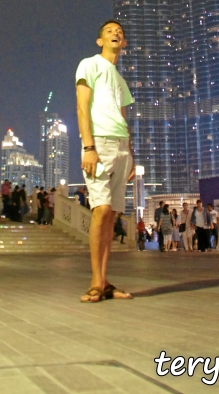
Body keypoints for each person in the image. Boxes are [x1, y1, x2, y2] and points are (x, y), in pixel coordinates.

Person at [76, 19, 134, 302]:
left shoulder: (120, 79)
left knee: (111, 215)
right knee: (101, 209)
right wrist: (88, 146)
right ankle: (95, 281)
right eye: (109, 31)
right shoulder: (89, 64)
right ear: (100, 41)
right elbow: (82, 106)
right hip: (98, 143)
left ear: (124, 43)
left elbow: (123, 117)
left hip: (121, 147)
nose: (115, 33)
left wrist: (130, 153)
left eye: (119, 32)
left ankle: (104, 280)